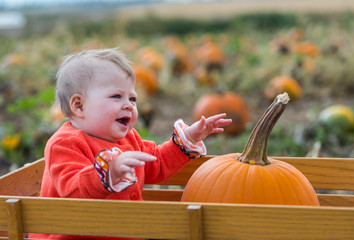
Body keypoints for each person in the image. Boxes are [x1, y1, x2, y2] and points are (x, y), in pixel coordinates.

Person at [29, 48, 231, 240]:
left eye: (132, 98)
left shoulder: (129, 139)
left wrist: (188, 138)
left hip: (127, 231)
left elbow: (157, 161)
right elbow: (73, 189)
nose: (128, 105)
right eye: (116, 96)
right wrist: (108, 170)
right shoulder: (64, 144)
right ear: (79, 105)